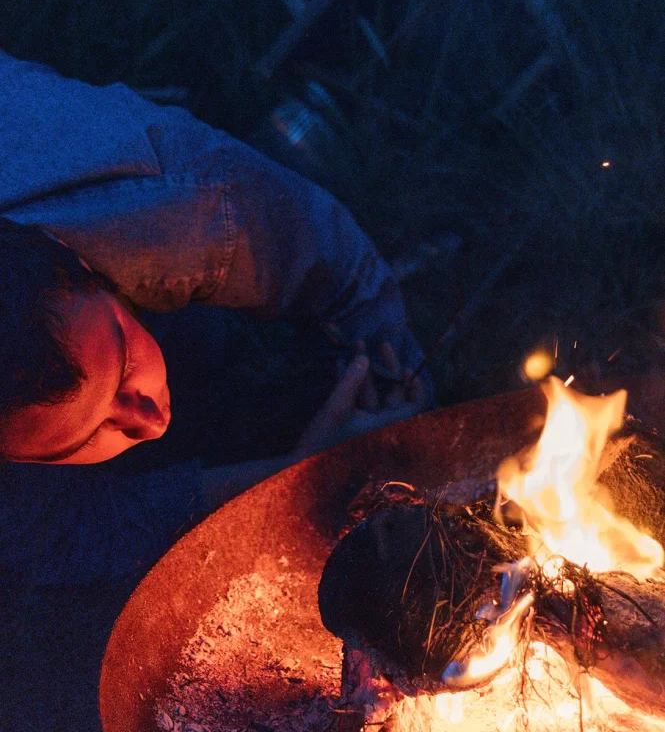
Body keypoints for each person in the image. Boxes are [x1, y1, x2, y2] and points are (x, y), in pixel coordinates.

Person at [0, 47, 432, 586]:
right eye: (84, 437)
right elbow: (71, 536)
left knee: (206, 341)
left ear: (74, 255)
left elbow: (344, 274)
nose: (151, 419)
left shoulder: (179, 207)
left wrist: (395, 383)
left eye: (124, 362)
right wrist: (303, 477)